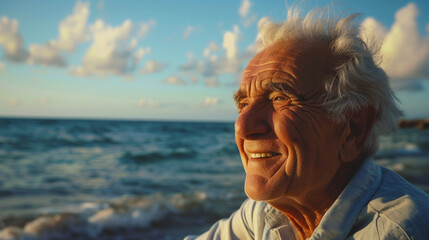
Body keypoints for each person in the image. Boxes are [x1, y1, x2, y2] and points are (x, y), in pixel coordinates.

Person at [185, 8, 429, 240]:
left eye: (280, 98)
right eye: (243, 104)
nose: (242, 126)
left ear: (353, 128)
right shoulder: (265, 215)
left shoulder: (402, 231)